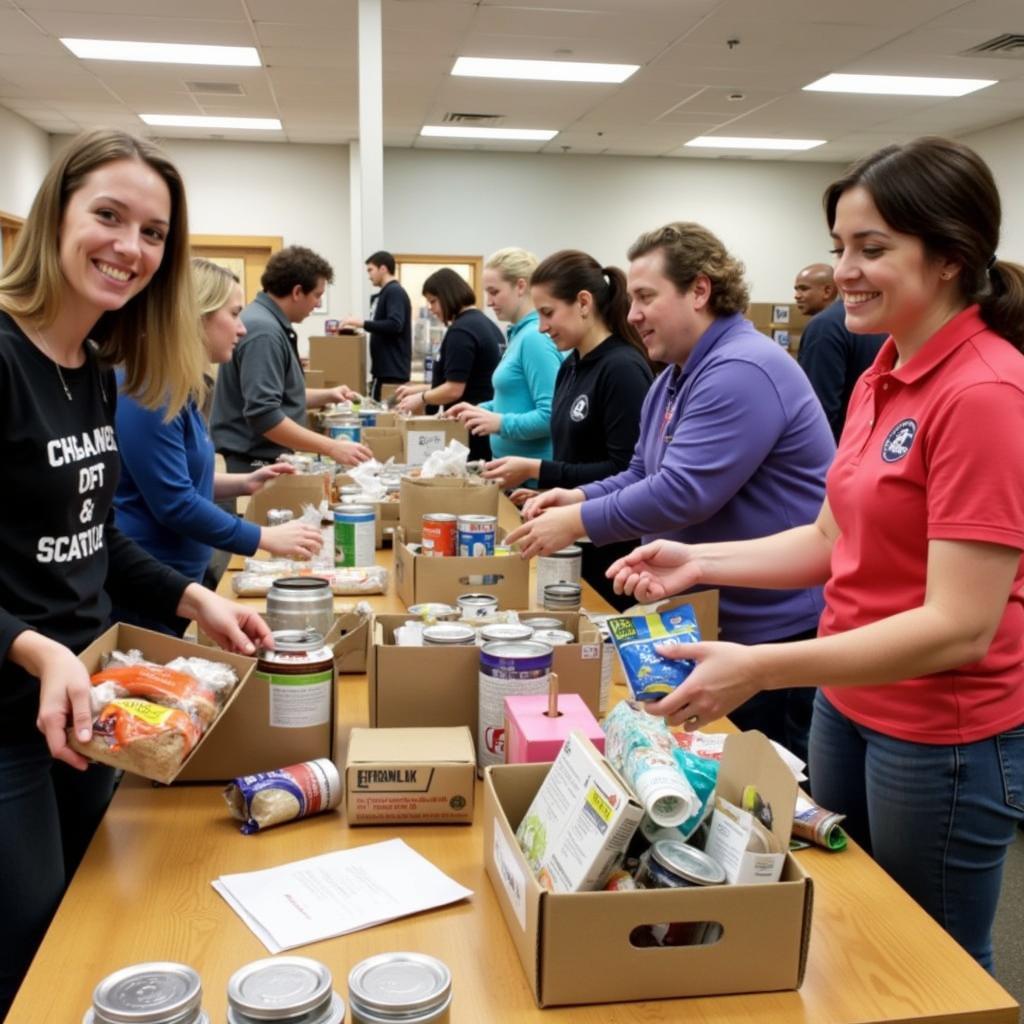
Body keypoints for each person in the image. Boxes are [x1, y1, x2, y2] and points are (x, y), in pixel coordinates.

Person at [609, 137, 1024, 972]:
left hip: (938, 730)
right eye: (840, 247)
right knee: (846, 913)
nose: (844, 270)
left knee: (931, 958)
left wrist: (764, 665)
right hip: (848, 700)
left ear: (950, 256)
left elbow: (958, 628)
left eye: (872, 249)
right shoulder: (884, 374)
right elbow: (830, 539)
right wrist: (703, 564)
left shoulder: (984, 391)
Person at [0, 128, 274, 1018]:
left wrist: (194, 596)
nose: (130, 247)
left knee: (97, 921)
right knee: (32, 948)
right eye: (108, 216)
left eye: (153, 233)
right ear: (56, 216)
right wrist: (36, 650)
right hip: (14, 715)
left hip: (93, 702)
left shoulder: (90, 369)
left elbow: (92, 535)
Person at [507, 223, 834, 762]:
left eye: (645, 297)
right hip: (713, 614)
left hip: (771, 631)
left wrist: (579, 524)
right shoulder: (675, 378)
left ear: (699, 291)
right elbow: (641, 472)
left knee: (759, 788)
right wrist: (581, 498)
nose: (632, 313)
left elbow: (683, 493)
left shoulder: (742, 368)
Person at [113, 259, 323, 632]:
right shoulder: (147, 389)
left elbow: (175, 476)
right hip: (148, 588)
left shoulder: (179, 386)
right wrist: (264, 537)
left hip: (177, 582)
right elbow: (174, 503)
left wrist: (243, 483)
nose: (242, 328)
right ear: (194, 317)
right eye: (234, 314)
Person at [483, 249, 653, 609]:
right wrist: (551, 490)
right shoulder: (571, 365)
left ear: (583, 302)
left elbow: (628, 472)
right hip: (574, 538)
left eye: (547, 313)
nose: (542, 327)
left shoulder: (621, 369)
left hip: (611, 550)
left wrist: (540, 470)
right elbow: (575, 453)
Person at [210, 245, 371, 475]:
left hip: (259, 459)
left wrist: (327, 394)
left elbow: (277, 395)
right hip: (251, 463)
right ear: (297, 292)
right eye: (317, 295)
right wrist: (332, 447)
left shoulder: (268, 323)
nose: (317, 304)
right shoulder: (264, 332)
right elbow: (263, 413)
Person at [447, 247, 564, 482]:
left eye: (494, 292)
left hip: (532, 483)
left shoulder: (534, 338)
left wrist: (499, 423)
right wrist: (481, 410)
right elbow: (517, 400)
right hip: (510, 475)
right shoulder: (518, 335)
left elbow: (552, 415)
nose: (488, 302)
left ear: (520, 286)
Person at [395, 268, 501, 461]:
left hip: (472, 431)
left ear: (447, 296)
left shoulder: (462, 331)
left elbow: (454, 389)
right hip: (485, 425)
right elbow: (466, 378)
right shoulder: (484, 324)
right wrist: (420, 388)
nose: (431, 308)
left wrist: (422, 398)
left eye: (433, 301)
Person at [794, 262, 887, 442]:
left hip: (835, 446)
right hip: (870, 439)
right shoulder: (874, 320)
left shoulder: (824, 326)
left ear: (827, 291)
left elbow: (820, 406)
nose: (797, 296)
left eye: (803, 289)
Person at [342, 250, 412, 401]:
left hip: (392, 372)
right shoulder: (384, 293)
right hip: (383, 370)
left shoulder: (394, 292)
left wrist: (361, 323)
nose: (369, 275)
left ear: (383, 269)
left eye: (370, 270)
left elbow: (395, 324)